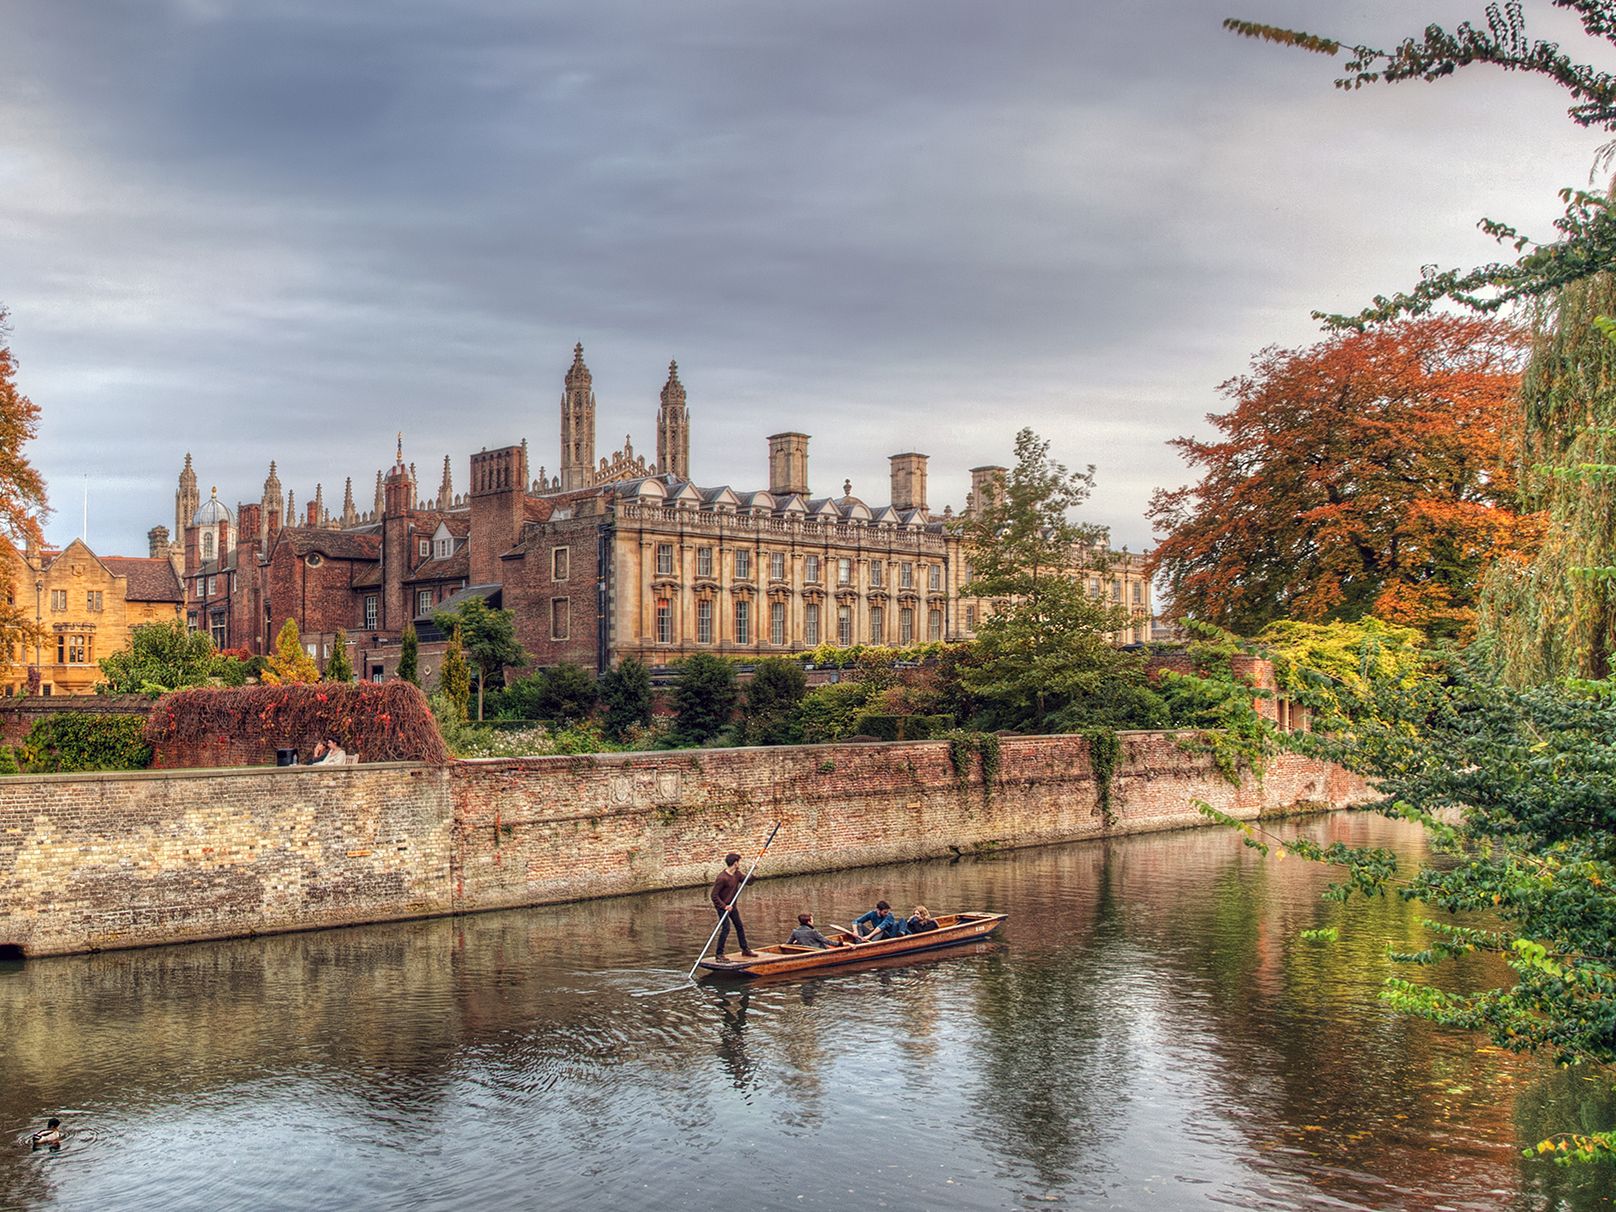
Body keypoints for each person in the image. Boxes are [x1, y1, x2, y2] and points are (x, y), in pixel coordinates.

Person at [709, 852, 758, 959]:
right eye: (739, 862)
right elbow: (714, 896)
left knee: (739, 926)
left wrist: (753, 871)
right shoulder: (722, 878)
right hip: (723, 907)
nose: (739, 863)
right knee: (726, 928)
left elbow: (748, 882)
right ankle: (719, 954)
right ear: (735, 863)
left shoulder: (737, 874)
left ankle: (745, 949)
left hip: (732, 906)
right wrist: (724, 906)